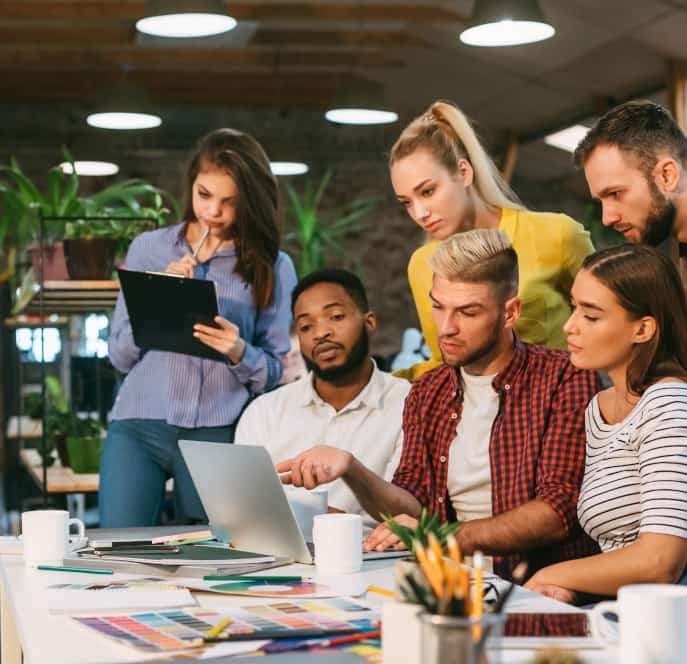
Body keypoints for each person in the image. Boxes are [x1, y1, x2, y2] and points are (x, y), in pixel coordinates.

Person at [276, 230, 600, 581]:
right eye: (438, 306)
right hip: (446, 584)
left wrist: (440, 538)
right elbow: (413, 505)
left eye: (468, 312)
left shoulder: (564, 377)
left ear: (510, 312)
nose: (445, 328)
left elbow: (557, 511)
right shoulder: (429, 389)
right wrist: (352, 469)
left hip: (533, 588)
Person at [524, 244, 687, 659]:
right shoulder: (598, 410)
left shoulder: (671, 401)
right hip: (642, 597)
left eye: (591, 315)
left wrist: (551, 573)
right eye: (573, 308)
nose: (570, 327)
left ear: (642, 329)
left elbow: (660, 559)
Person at [100, 128, 297, 527]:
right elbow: (118, 356)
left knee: (215, 560)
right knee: (115, 547)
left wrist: (239, 350)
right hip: (139, 424)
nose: (213, 212)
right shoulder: (147, 249)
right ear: (190, 184)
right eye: (204, 195)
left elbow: (274, 374)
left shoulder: (274, 266)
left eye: (230, 202)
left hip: (218, 431)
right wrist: (159, 299)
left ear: (250, 202)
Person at [390, 100, 594, 380]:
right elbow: (444, 362)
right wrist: (377, 386)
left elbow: (611, 319)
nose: (419, 214)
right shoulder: (423, 264)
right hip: (474, 415)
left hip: (561, 405)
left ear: (463, 172)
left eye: (427, 192)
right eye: (406, 203)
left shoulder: (556, 234)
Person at [574, 99, 687, 423]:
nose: (607, 217)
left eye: (616, 194)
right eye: (601, 201)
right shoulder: (681, 258)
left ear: (667, 175)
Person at [236, 268, 410, 530]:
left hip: (375, 556)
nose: (321, 333)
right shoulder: (265, 411)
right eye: (306, 326)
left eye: (336, 317)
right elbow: (242, 508)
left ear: (369, 322)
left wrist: (341, 522)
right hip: (282, 555)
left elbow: (416, 511)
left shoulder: (410, 404)